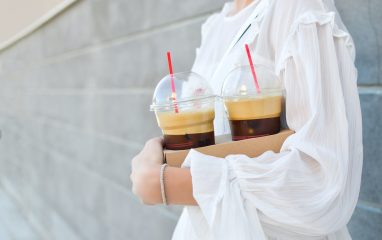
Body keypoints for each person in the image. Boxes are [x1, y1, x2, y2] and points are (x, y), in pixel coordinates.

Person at [130, 0, 363, 239]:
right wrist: (159, 152)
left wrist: (167, 183)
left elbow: (322, 182)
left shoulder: (299, 9)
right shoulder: (215, 27)